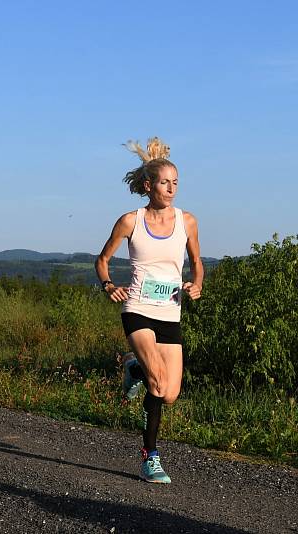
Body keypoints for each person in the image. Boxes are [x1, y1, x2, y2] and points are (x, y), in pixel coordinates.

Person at [95, 137, 203, 484]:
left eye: (175, 183)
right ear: (148, 186)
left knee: (170, 393)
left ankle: (133, 368)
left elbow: (197, 262)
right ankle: (150, 457)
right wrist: (109, 285)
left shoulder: (187, 221)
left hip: (170, 311)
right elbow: (103, 260)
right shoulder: (130, 221)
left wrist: (197, 283)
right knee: (158, 381)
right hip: (138, 307)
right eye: (164, 182)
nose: (171, 188)